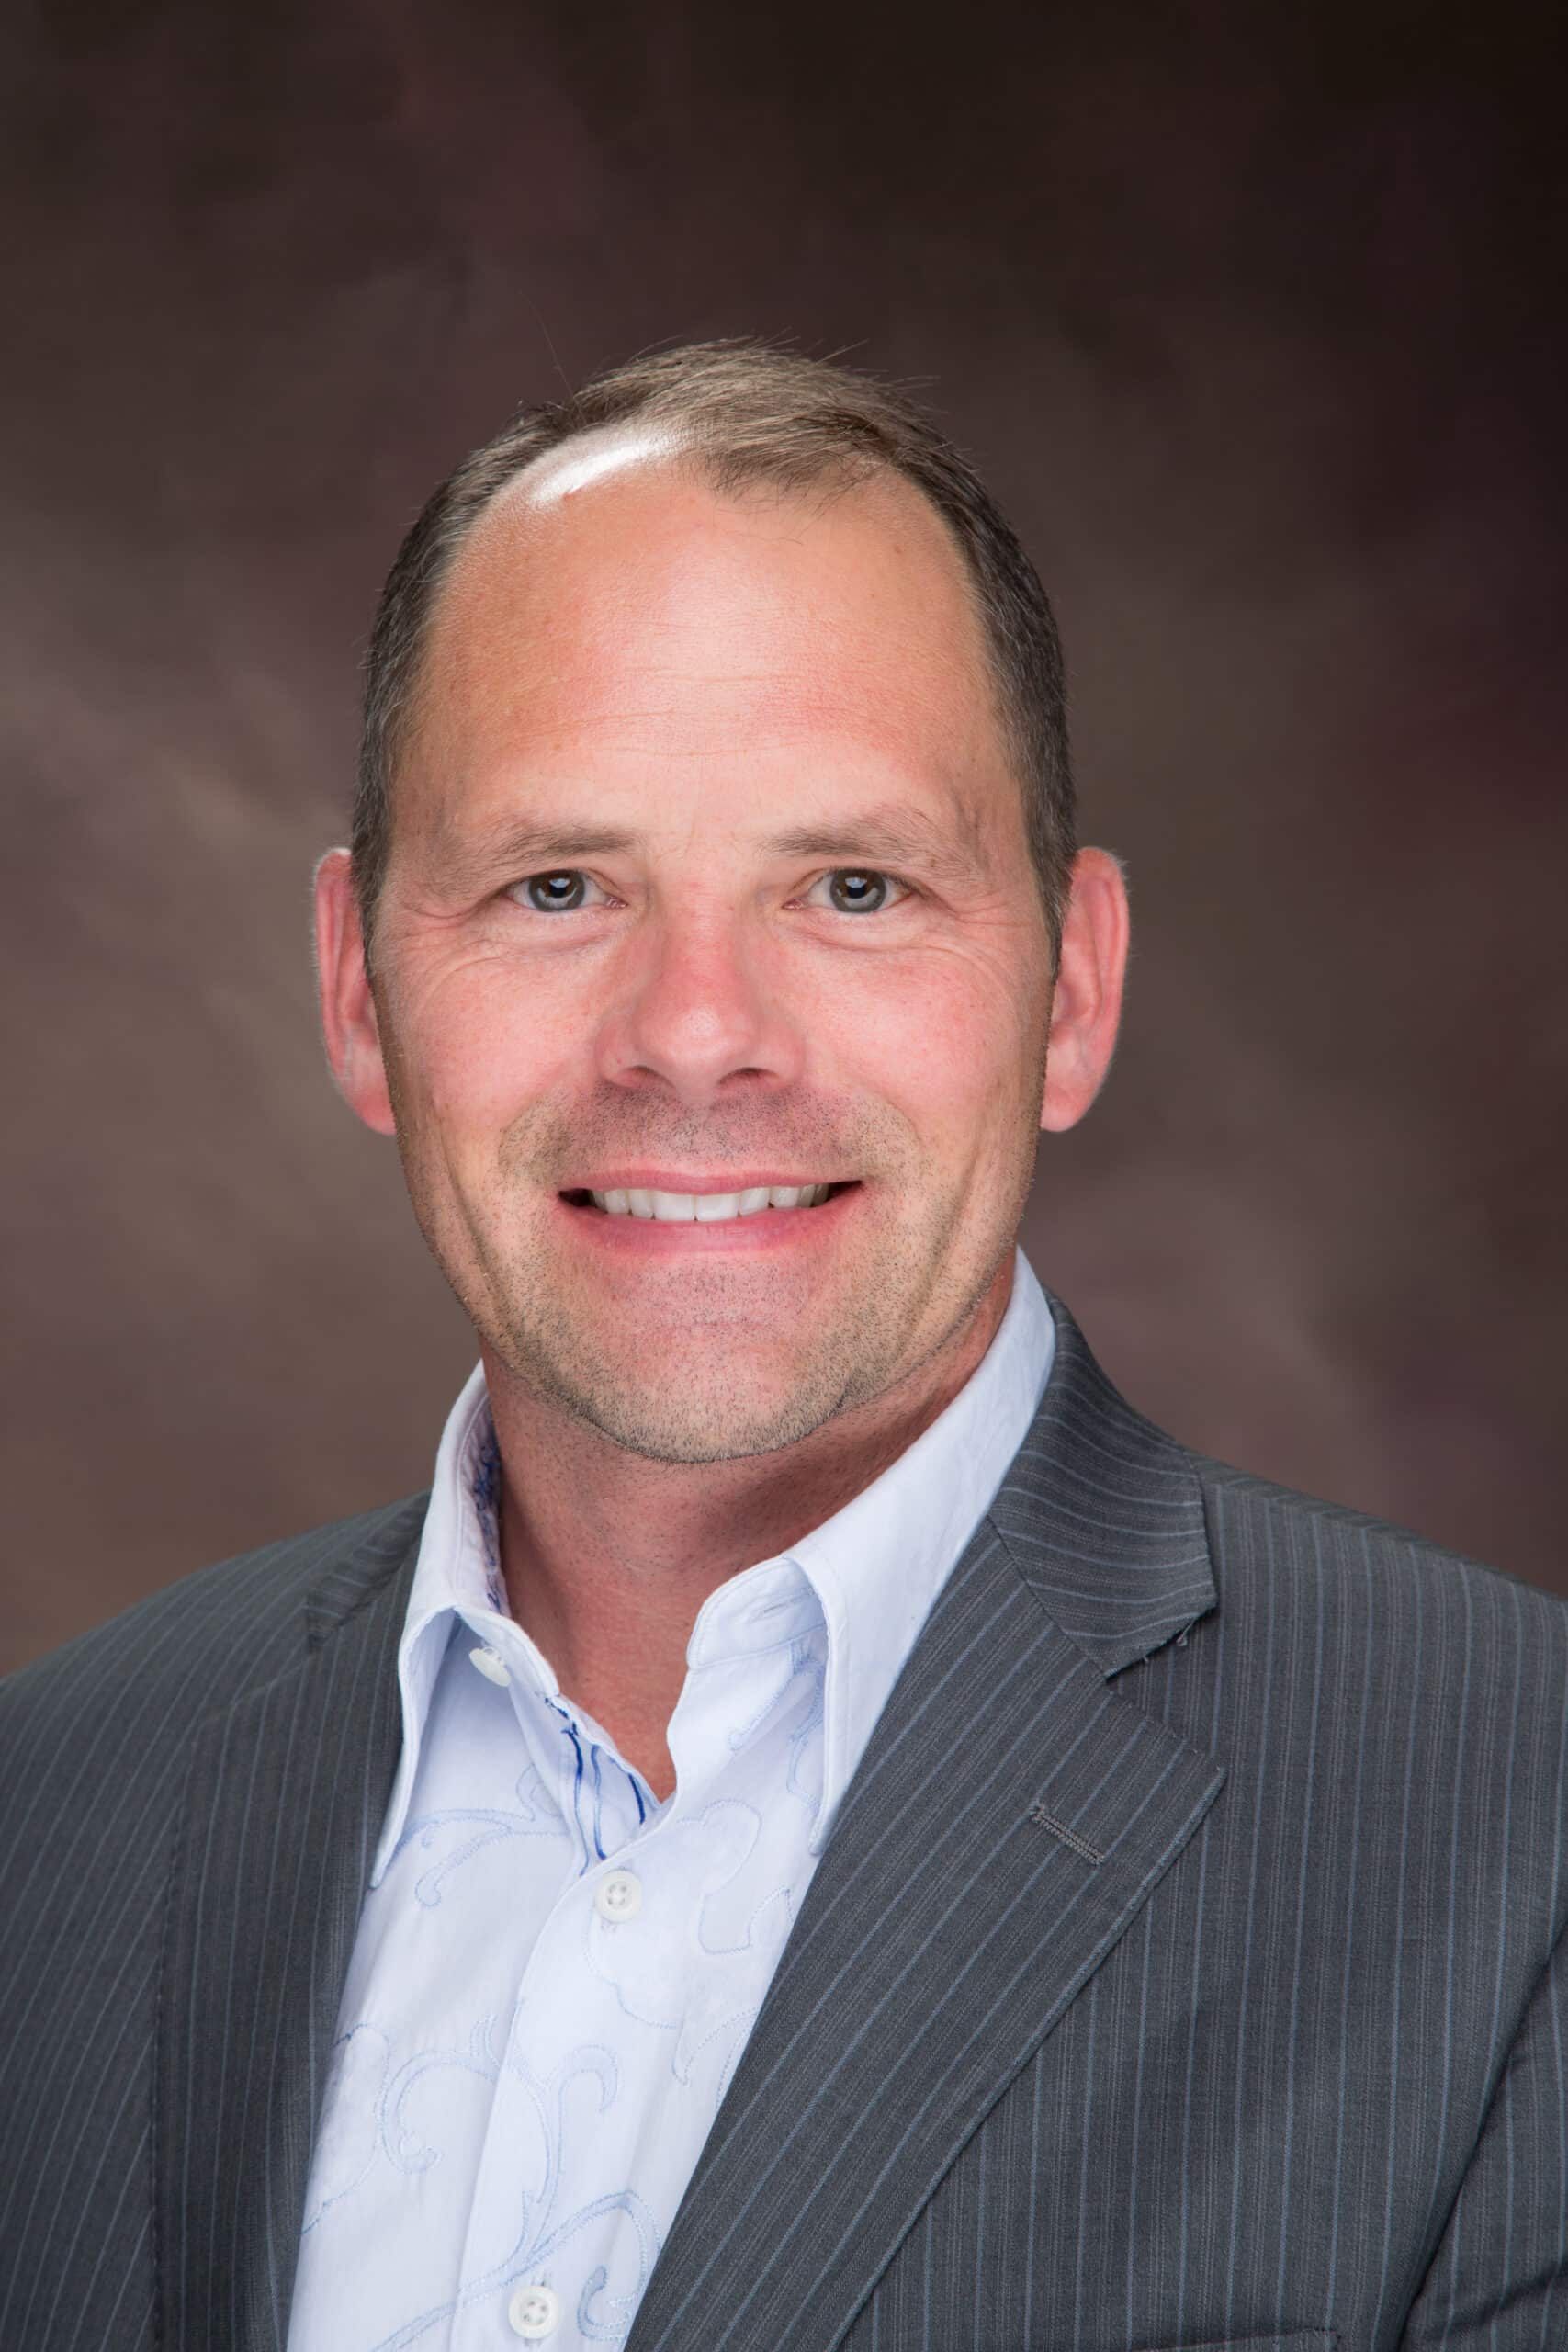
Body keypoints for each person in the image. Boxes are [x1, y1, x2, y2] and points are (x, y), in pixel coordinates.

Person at [2, 339, 1563, 2352]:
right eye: (556, 885)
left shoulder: (1515, 1838)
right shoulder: (47, 1821)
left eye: (851, 885)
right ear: (360, 990)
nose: (695, 1032)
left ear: (1072, 988)